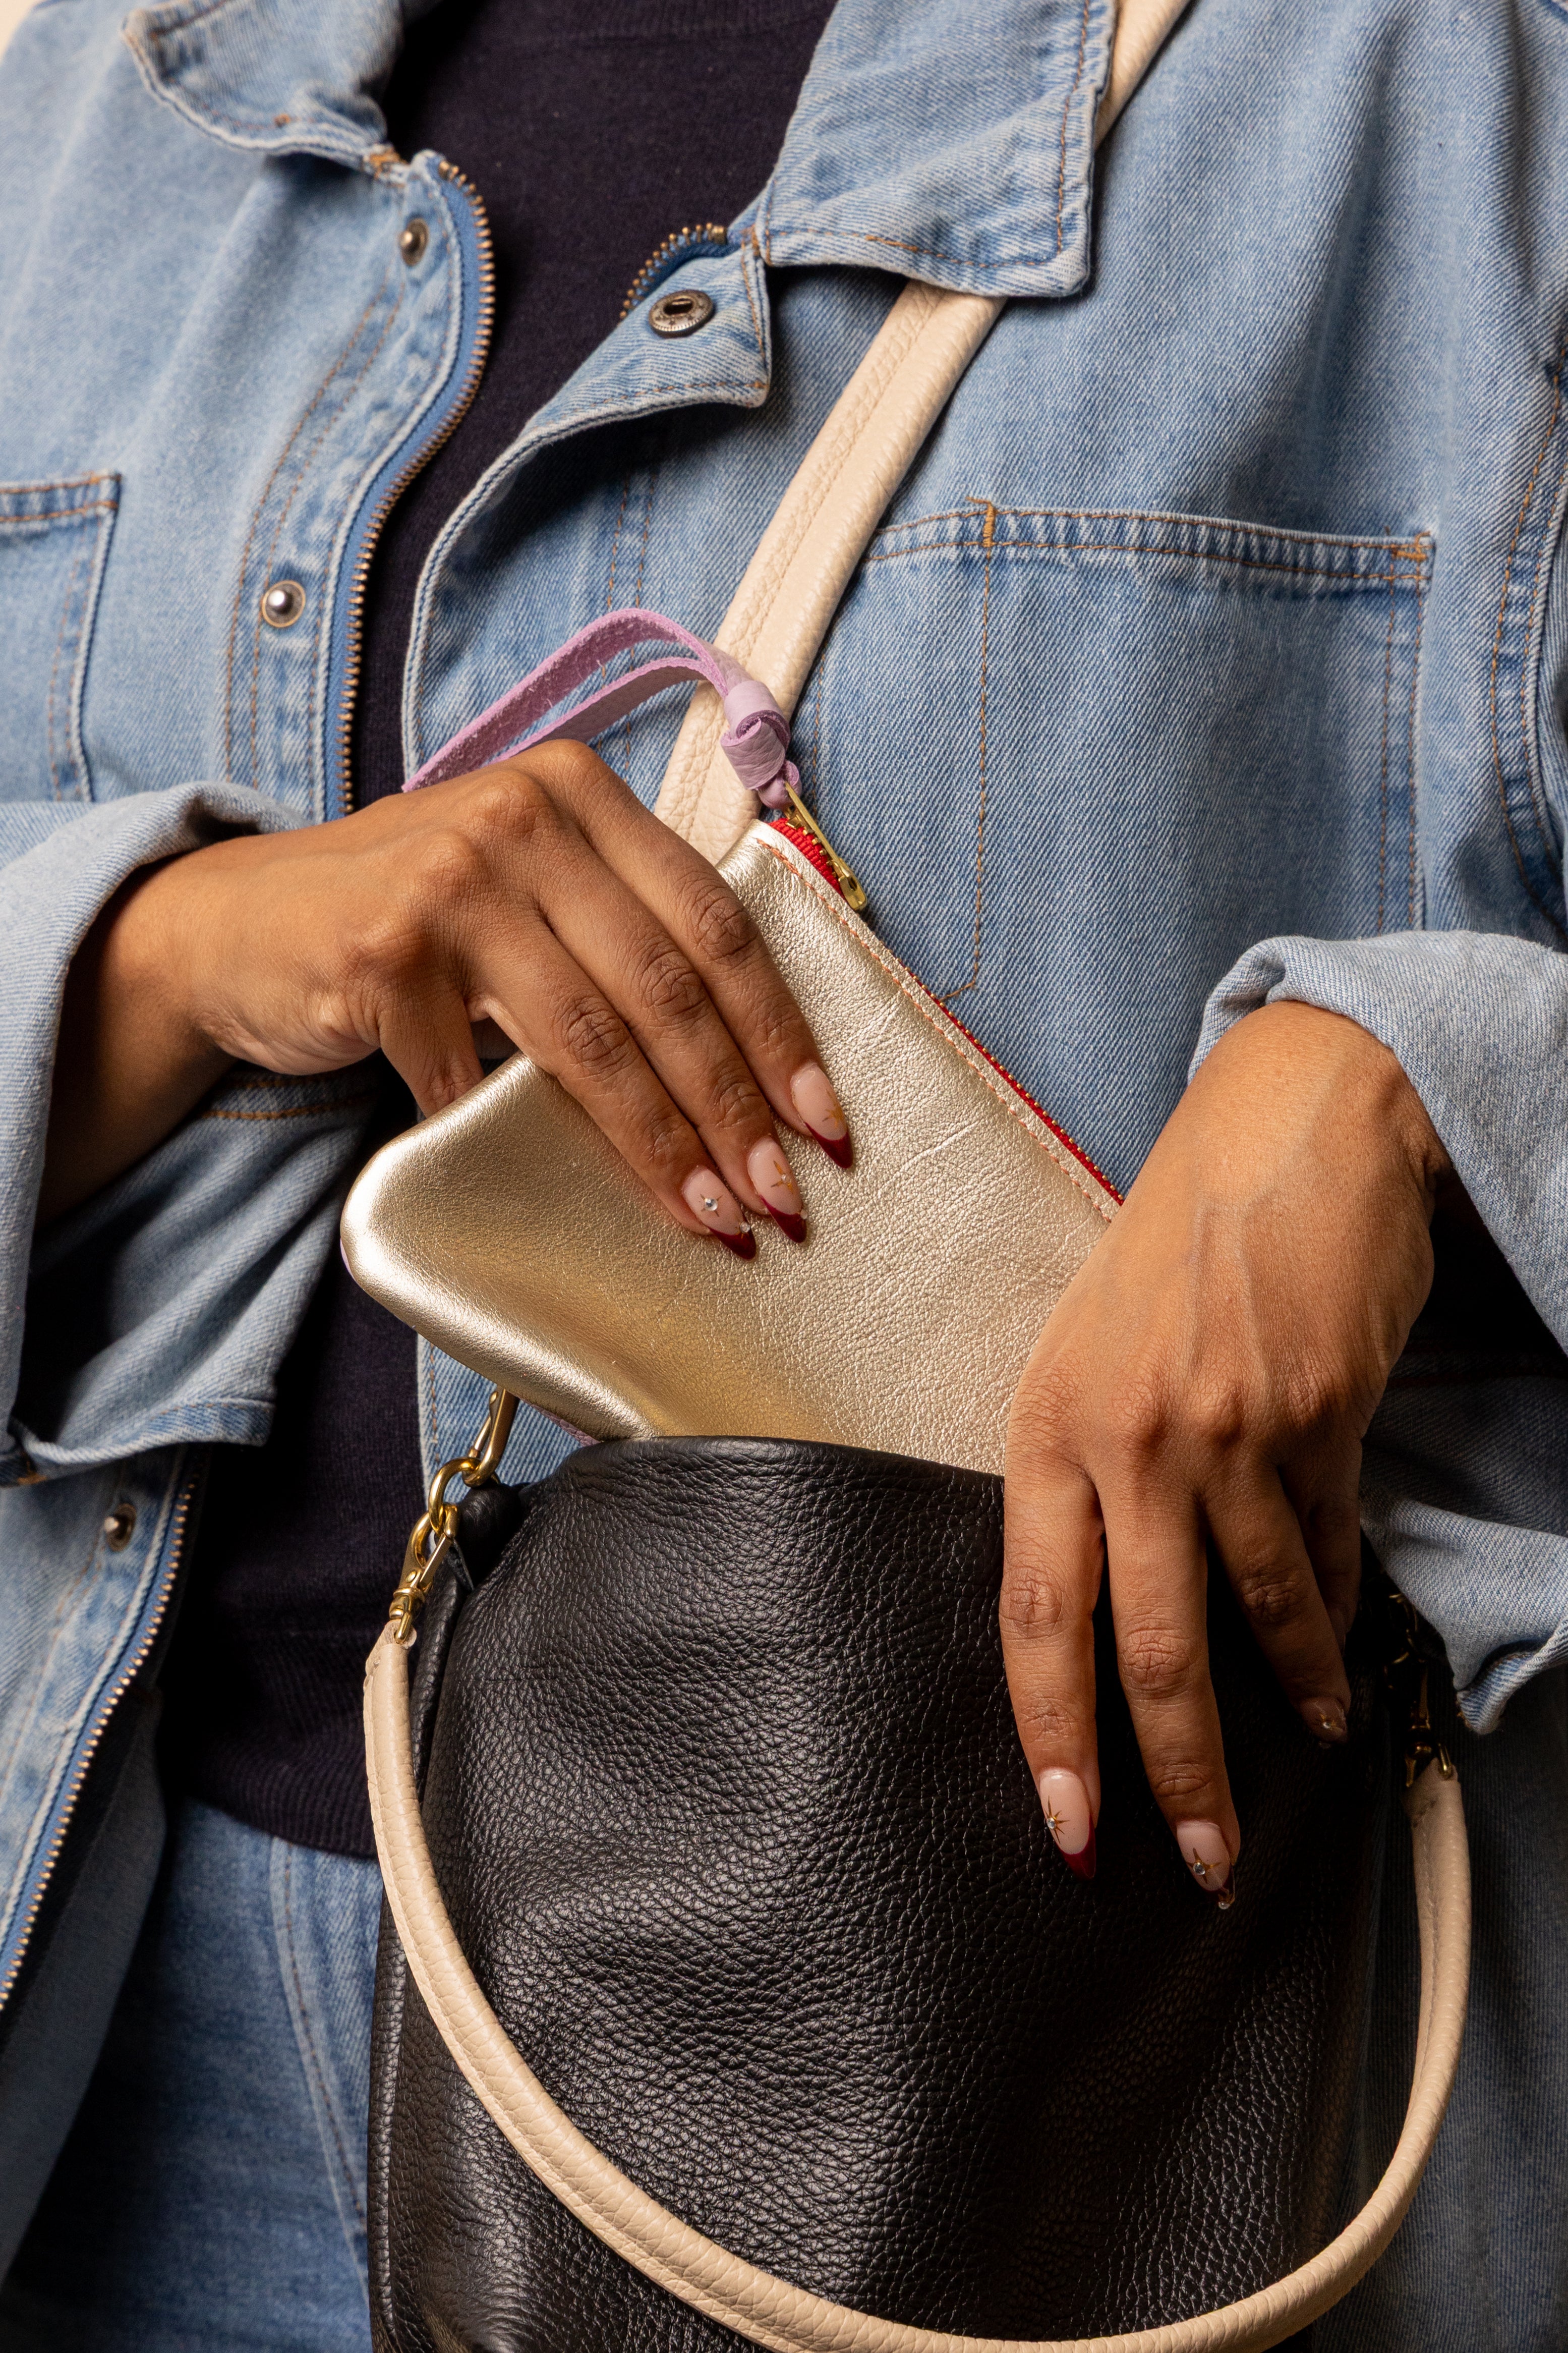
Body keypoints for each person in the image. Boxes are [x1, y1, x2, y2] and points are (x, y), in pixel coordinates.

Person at [1, 0, 1565, 2343]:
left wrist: (1411, 1084)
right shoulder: (108, 100)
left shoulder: (1439, 83)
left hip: (991, 2082)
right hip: (116, 2011)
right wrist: (157, 948)